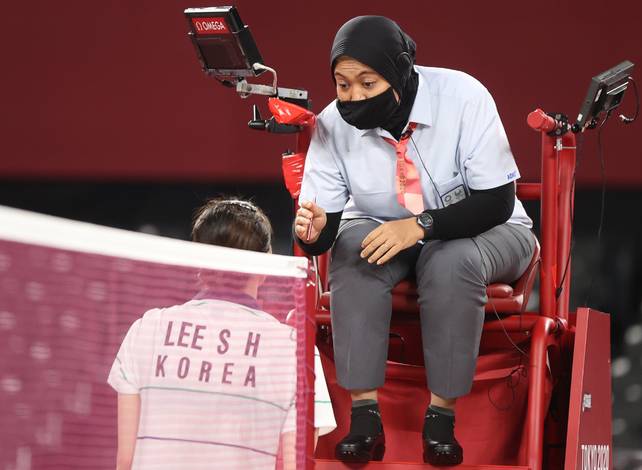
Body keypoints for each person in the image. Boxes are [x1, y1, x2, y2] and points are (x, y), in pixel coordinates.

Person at [293, 16, 535, 466]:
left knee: (450, 259)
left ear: (400, 71)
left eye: (368, 82)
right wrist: (311, 233)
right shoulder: (331, 123)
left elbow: (497, 201)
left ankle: (441, 418)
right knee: (351, 248)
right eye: (343, 85)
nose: (354, 97)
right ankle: (364, 418)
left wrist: (419, 226)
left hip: (490, 231)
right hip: (387, 231)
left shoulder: (463, 96)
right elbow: (322, 230)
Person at [108, 197, 336, 470]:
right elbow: (295, 464)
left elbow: (126, 461)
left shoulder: (147, 329)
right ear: (265, 262)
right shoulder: (294, 349)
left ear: (200, 261)